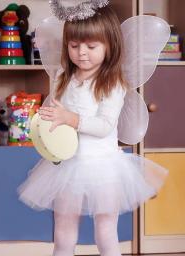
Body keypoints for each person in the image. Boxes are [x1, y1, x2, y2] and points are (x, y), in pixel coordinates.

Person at [18, 2, 168, 256]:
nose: (82, 53)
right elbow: (58, 112)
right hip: (68, 166)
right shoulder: (63, 76)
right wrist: (49, 119)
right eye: (74, 46)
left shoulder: (112, 83)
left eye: (91, 46)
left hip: (104, 167)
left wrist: (69, 118)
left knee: (105, 232)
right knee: (63, 231)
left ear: (110, 45)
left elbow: (104, 126)